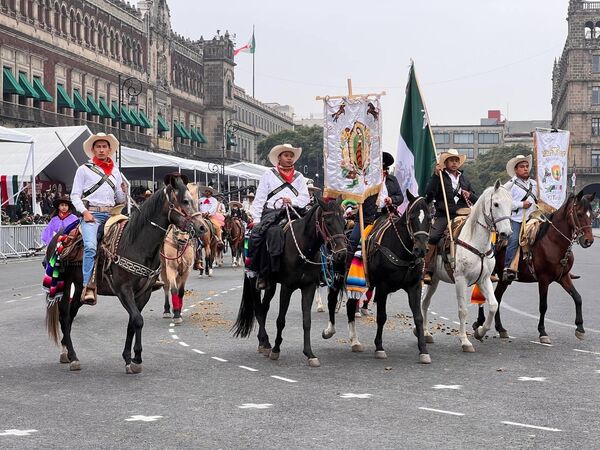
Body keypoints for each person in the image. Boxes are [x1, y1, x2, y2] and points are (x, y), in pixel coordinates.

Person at [71, 132, 127, 305]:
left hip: (113, 214)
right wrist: (84, 213)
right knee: (90, 247)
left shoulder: (116, 171)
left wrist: (123, 191)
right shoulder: (83, 169)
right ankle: (88, 286)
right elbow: (74, 195)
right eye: (98, 147)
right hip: (92, 214)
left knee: (133, 236)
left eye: (104, 147)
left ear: (109, 150)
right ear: (93, 149)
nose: (101, 150)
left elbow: (119, 199)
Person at [248, 143, 310, 289]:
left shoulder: (299, 176)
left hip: (295, 211)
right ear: (279, 158)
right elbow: (260, 197)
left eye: (291, 156)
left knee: (315, 229)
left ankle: (317, 270)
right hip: (273, 212)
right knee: (263, 235)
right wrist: (256, 219)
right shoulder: (268, 174)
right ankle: (262, 272)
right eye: (286, 156)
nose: (289, 159)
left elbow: (305, 198)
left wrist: (293, 201)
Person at [423, 149, 478, 284]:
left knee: (482, 230)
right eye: (451, 160)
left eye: (456, 161)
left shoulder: (464, 179)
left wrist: (469, 195)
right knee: (434, 237)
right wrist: (435, 176)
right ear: (446, 163)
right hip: (444, 214)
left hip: (464, 213)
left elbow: (476, 198)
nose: (454, 163)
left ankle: (487, 267)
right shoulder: (439, 176)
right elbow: (429, 195)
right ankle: (427, 269)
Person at [502, 154, 537, 281]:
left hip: (534, 219)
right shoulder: (509, 185)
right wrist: (521, 204)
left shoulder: (535, 183)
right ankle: (508, 268)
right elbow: (503, 203)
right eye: (522, 166)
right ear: (516, 170)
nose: (525, 168)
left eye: (527, 166)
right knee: (513, 241)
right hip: (516, 219)